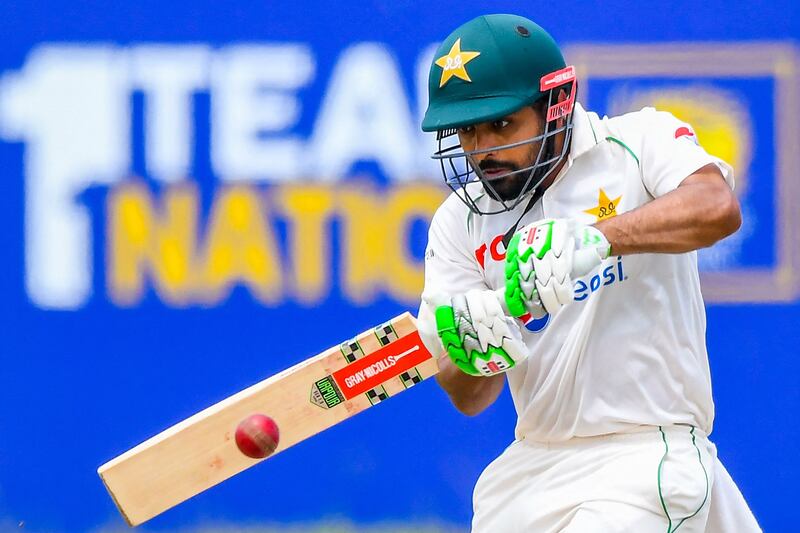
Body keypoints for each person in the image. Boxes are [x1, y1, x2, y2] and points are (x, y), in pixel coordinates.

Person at [417, 13, 761, 532]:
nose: (482, 149)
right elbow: (470, 396)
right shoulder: (458, 224)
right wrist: (476, 344)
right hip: (532, 468)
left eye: (502, 124)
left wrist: (599, 238)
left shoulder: (638, 142)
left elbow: (716, 208)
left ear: (555, 107)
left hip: (644, 449)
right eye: (466, 130)